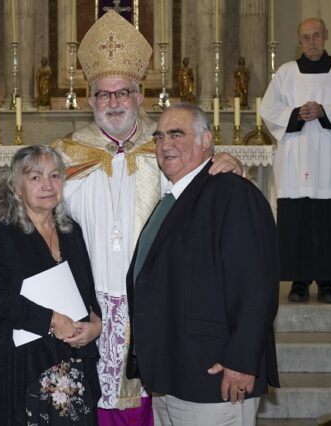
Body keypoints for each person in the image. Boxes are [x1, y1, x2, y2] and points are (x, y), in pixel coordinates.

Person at [0, 11, 243, 424]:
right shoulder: (65, 153)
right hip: (84, 302)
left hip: (154, 298)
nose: (113, 103)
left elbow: (205, 189)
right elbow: (21, 188)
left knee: (152, 399)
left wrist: (228, 162)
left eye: (123, 93)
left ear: (139, 97)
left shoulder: (168, 150)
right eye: (103, 94)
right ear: (90, 101)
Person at [126, 103, 279, 425]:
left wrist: (242, 360)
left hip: (214, 375)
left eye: (176, 134)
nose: (165, 144)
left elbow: (256, 286)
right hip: (172, 372)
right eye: (159, 137)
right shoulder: (173, 198)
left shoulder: (233, 193)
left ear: (206, 139)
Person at [0, 145, 102, 424]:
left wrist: (95, 325)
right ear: (17, 187)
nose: (47, 185)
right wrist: (51, 320)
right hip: (17, 366)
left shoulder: (71, 230)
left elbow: (85, 290)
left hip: (67, 361)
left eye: (55, 176)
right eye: (35, 177)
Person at [260, 17, 331, 304]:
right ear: (299, 40)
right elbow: (268, 109)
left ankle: (328, 282)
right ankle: (299, 281)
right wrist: (296, 114)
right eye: (306, 37)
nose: (312, 42)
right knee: (297, 220)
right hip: (296, 160)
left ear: (326, 35)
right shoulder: (285, 73)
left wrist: (325, 111)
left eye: (316, 35)